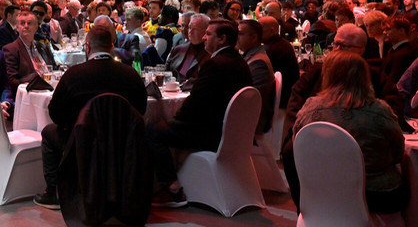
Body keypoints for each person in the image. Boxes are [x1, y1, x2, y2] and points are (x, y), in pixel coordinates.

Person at [33, 24, 147, 210]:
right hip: (122, 142)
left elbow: (55, 114)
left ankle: (53, 192)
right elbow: (141, 110)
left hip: (80, 141)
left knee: (48, 133)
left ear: (87, 47)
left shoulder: (73, 75)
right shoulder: (130, 75)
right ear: (112, 47)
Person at [148, 19, 254, 207]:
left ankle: (172, 189)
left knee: (154, 130)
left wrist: (173, 120)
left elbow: (195, 104)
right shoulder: (239, 62)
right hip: (233, 134)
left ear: (222, 39)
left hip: (210, 134)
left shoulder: (215, 64)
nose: (204, 38)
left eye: (209, 34)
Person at [290, 50, 408, 212]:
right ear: (365, 77)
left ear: (328, 76)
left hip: (321, 190)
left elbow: (297, 143)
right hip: (377, 196)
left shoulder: (310, 108)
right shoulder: (380, 111)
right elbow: (398, 153)